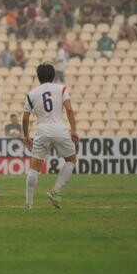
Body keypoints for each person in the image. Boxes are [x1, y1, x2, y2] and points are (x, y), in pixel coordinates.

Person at [22, 63, 79, 210]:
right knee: (71, 160)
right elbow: (70, 110)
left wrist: (26, 136)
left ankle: (29, 204)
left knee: (34, 167)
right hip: (60, 129)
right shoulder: (62, 89)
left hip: (42, 130)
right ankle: (55, 191)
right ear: (53, 76)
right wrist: (73, 130)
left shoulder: (32, 93)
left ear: (38, 77)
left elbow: (25, 118)